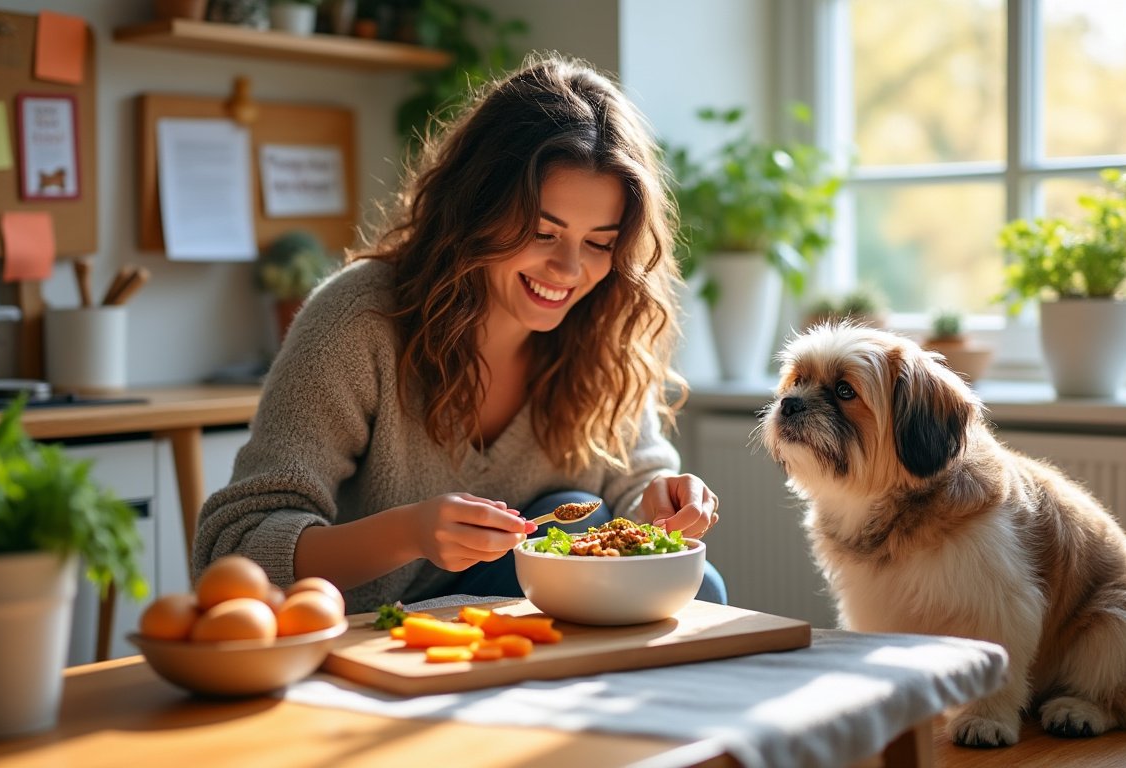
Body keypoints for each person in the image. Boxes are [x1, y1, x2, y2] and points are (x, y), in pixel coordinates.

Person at [193, 53, 727, 613]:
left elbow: (632, 482)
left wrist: (663, 498)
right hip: (374, 631)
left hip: (515, 620)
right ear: (478, 208)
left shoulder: (603, 330)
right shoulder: (359, 321)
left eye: (599, 243)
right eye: (543, 232)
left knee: (688, 580)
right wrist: (410, 533)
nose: (570, 270)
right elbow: (234, 552)